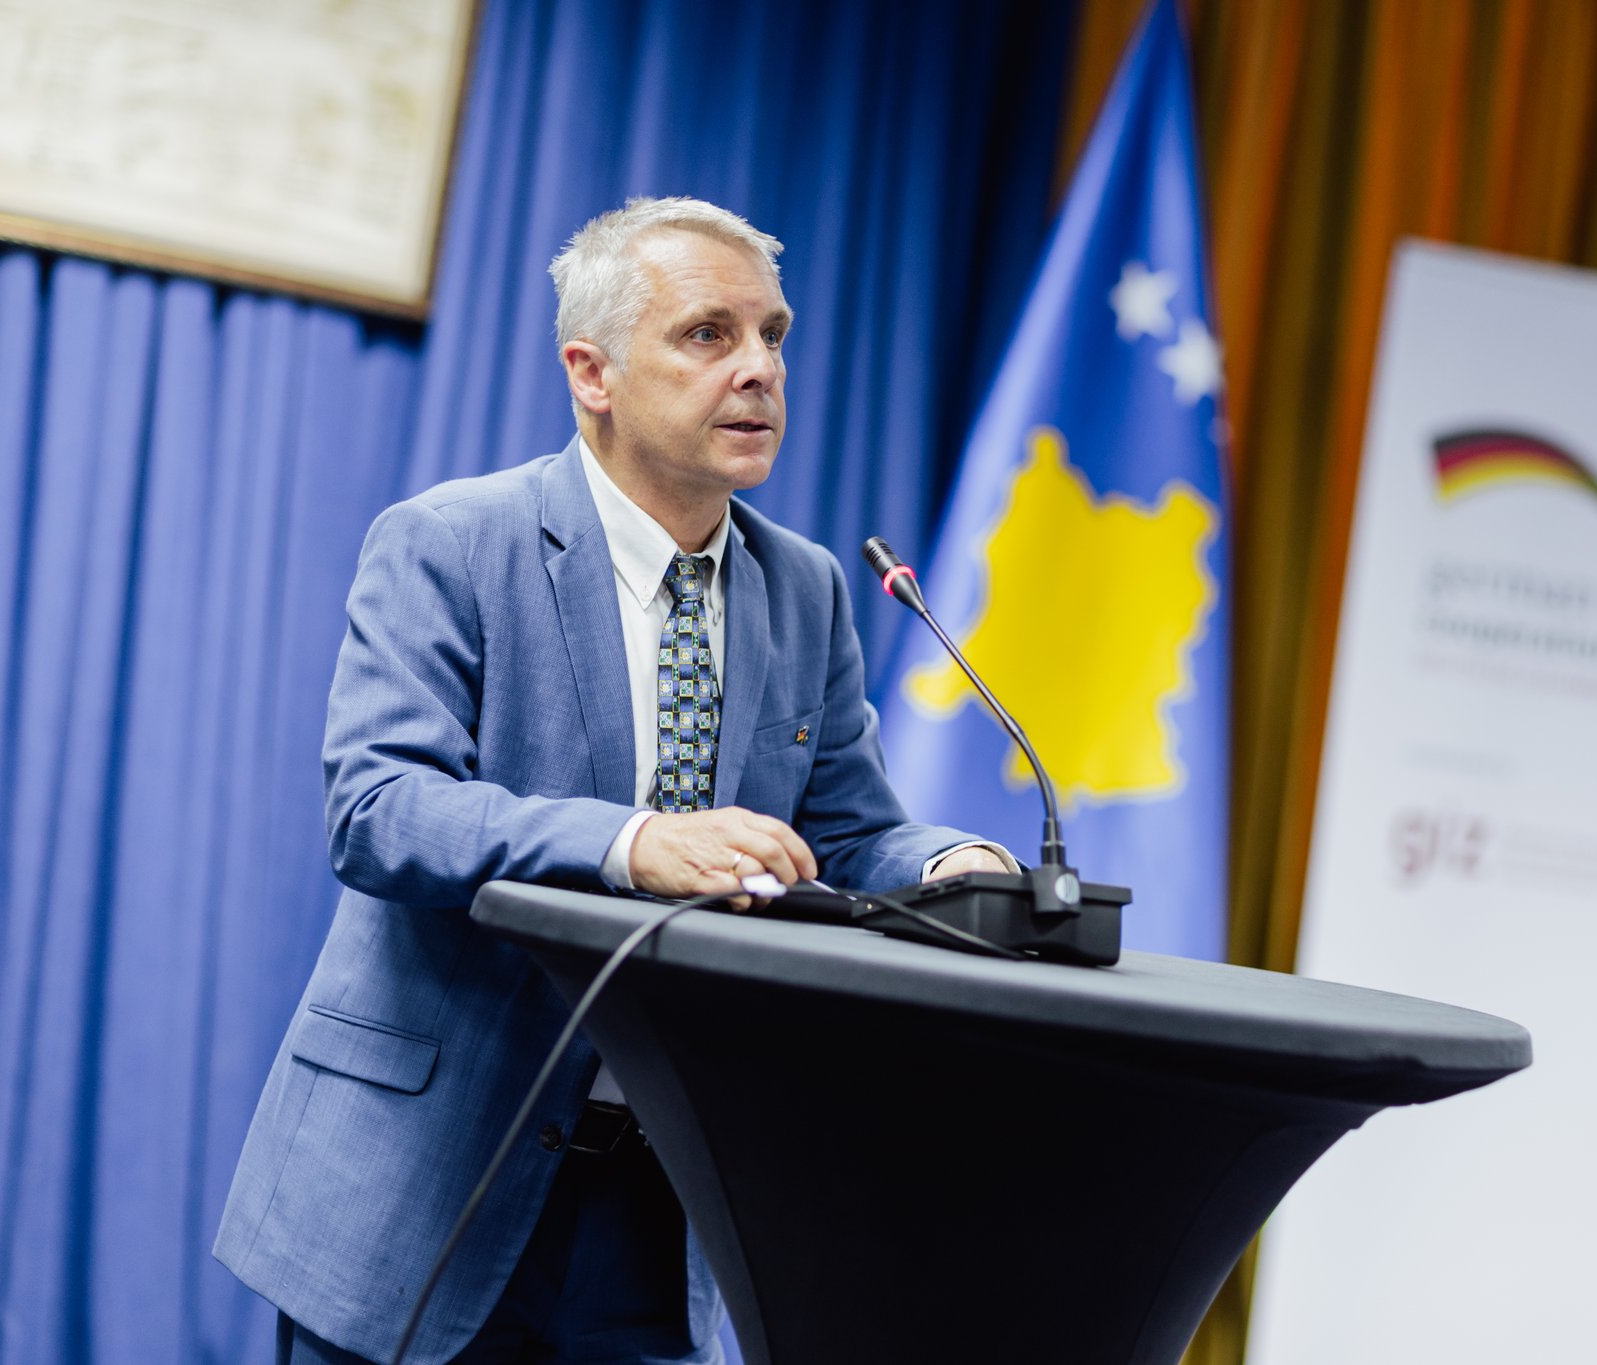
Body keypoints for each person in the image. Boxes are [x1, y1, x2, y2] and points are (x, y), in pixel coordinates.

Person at [215, 197, 1012, 1365]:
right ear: (591, 373)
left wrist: (951, 864)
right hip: (423, 1183)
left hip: (658, 1207)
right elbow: (380, 811)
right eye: (707, 335)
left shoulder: (806, 589)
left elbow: (844, 831)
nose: (759, 370)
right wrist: (630, 844)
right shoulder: (451, 541)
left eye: (773, 335)